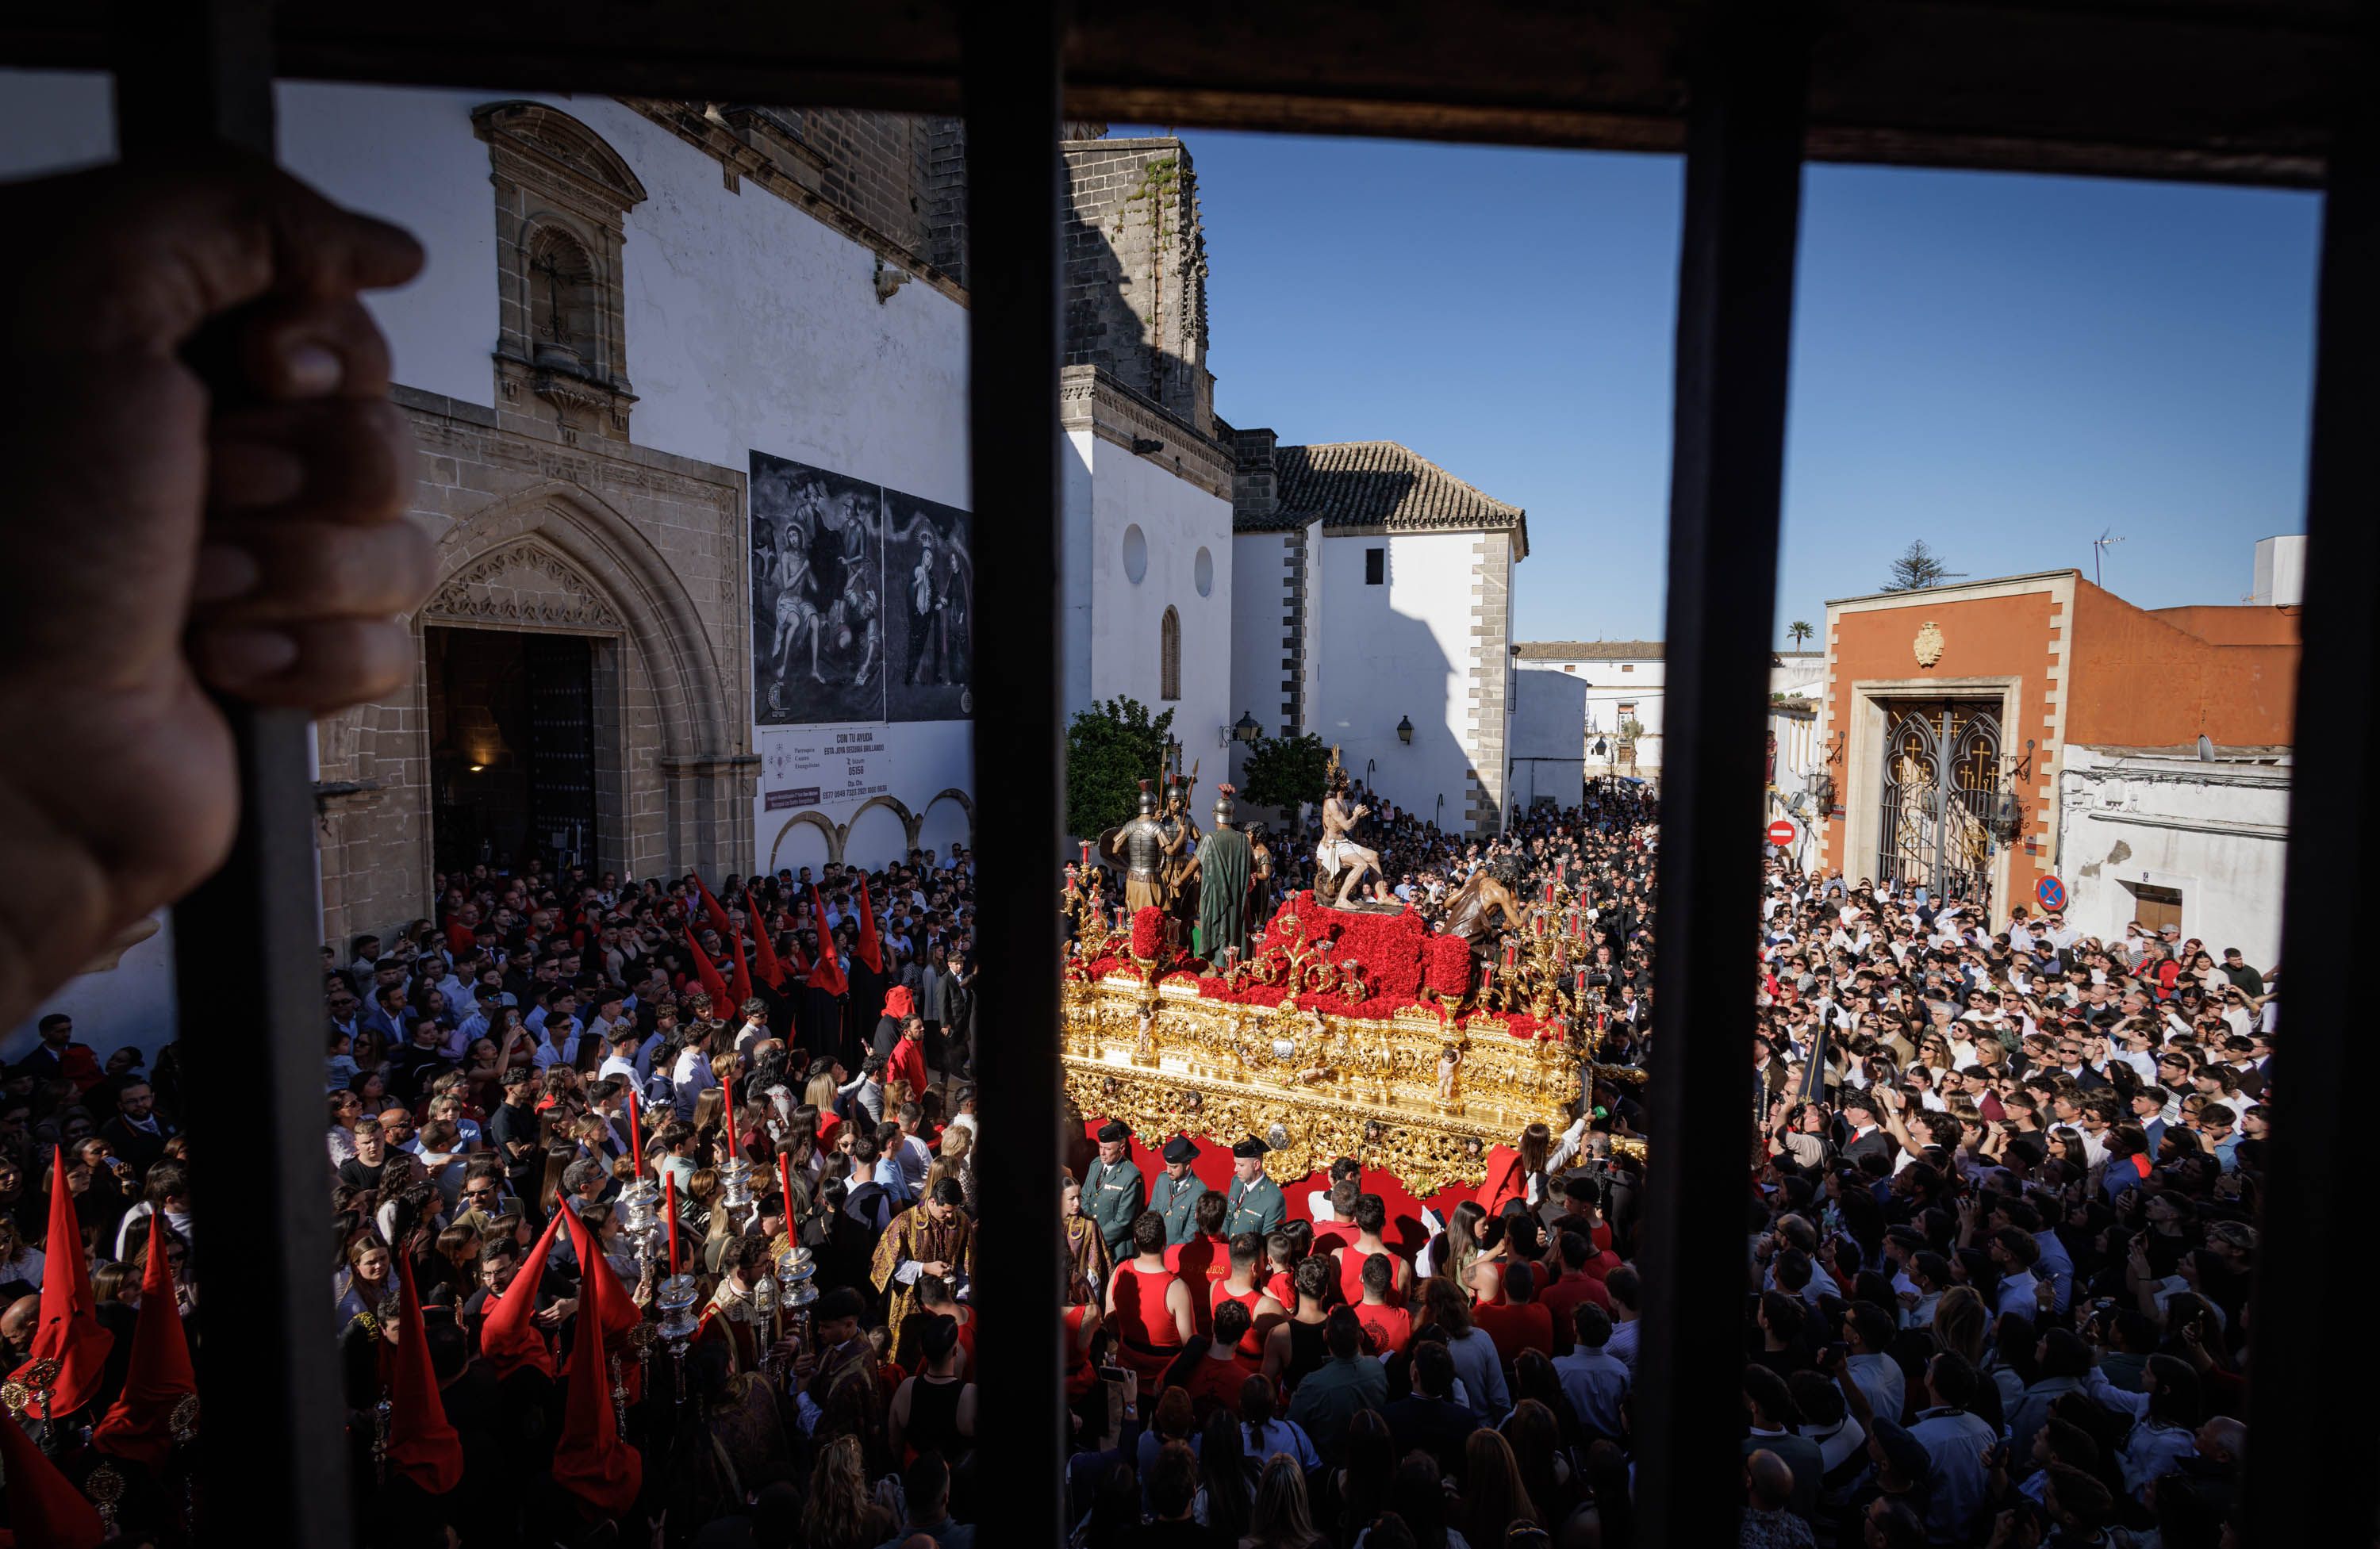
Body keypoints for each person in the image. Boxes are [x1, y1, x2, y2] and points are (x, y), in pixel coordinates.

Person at [1083, 1121, 1148, 1263]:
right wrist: (1088, 1232)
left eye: (1107, 1149)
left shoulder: (1131, 1176)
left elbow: (1123, 1221)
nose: (1102, 1153)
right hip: (1090, 1240)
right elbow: (1084, 1197)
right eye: (1101, 1147)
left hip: (1115, 1251)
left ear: (1122, 1148)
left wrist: (1097, 1239)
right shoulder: (1095, 1165)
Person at [1223, 1135, 1287, 1239]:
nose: (1235, 1169)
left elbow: (1269, 1241)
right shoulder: (1236, 1181)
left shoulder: (1274, 1199)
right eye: (1236, 1164)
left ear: (1256, 1165)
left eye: (1241, 1165)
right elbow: (1227, 1217)